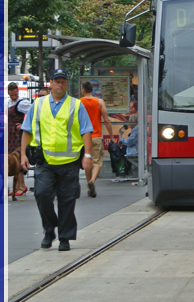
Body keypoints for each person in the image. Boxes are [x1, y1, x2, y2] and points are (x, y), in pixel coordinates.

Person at [20, 69, 94, 251]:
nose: (60, 84)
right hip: (44, 160)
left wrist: (88, 155)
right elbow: (27, 130)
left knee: (67, 199)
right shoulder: (38, 104)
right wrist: (22, 154)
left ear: (67, 84)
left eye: (63, 81)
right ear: (51, 83)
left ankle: (64, 238)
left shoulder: (76, 105)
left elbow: (86, 131)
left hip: (69, 161)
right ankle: (49, 229)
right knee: (42, 194)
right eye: (56, 81)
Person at [80, 80, 115, 198]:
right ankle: (92, 181)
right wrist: (111, 136)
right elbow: (106, 120)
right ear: (92, 90)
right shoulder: (99, 102)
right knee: (97, 161)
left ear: (83, 90)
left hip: (82, 137)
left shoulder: (79, 102)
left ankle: (88, 182)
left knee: (87, 161)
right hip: (95, 136)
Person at [6, 82, 31, 196]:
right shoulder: (8, 102)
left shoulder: (22, 103)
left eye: (15, 94)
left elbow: (32, 114)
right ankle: (16, 186)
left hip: (17, 134)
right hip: (9, 133)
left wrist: (23, 125)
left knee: (18, 158)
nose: (13, 97)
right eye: (11, 95)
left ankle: (22, 186)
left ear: (18, 92)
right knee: (11, 160)